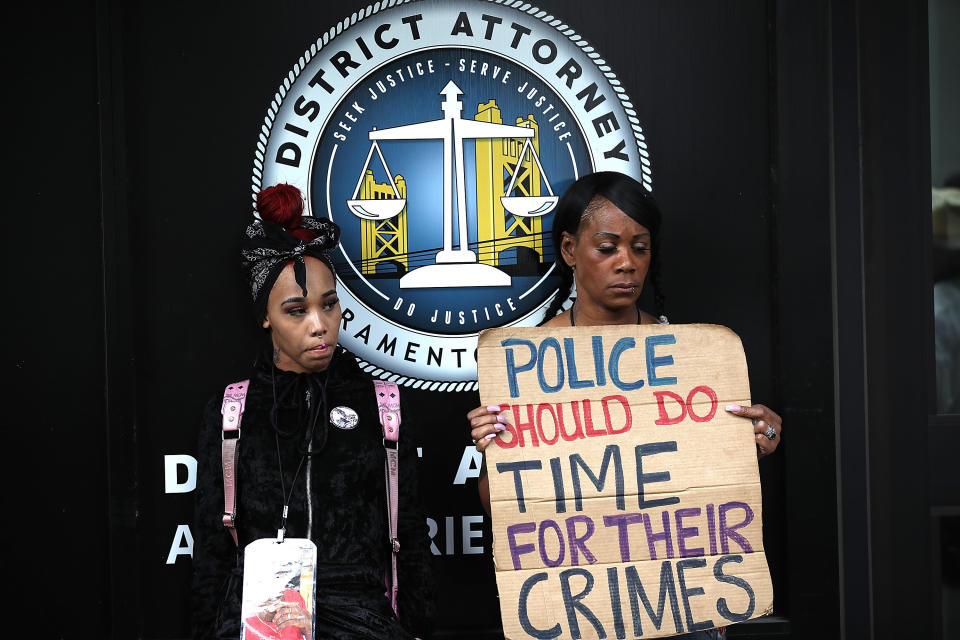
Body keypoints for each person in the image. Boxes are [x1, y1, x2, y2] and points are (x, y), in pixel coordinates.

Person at [466, 170, 782, 640]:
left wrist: (754, 441)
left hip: (678, 606)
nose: (627, 263)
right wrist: (494, 448)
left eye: (640, 247)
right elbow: (501, 507)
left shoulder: (689, 356)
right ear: (571, 250)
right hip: (579, 606)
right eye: (608, 247)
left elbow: (713, 486)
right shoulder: (526, 367)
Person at [192, 184, 435, 640]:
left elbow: (410, 535)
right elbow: (212, 548)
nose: (319, 324)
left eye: (328, 304)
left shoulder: (383, 407)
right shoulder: (233, 411)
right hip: (258, 618)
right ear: (266, 316)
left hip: (362, 620)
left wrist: (418, 625)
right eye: (296, 310)